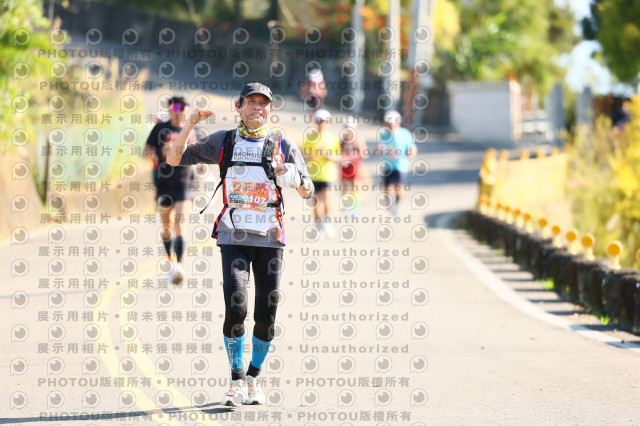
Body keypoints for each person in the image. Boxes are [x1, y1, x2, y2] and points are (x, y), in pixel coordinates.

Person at [166, 83, 314, 407]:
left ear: (270, 109)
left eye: (263, 103)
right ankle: (235, 381)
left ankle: (253, 378)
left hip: (270, 238)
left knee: (266, 313)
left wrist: (295, 178)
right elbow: (175, 157)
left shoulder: (282, 143)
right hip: (233, 235)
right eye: (251, 102)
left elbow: (309, 190)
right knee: (236, 308)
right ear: (239, 106)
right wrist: (190, 122)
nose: (257, 107)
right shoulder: (225, 141)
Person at [143, 96, 196, 285]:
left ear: (187, 112)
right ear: (170, 111)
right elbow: (145, 152)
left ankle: (179, 265)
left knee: (180, 223)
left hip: (185, 183)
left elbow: (200, 151)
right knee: (167, 227)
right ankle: (171, 259)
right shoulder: (160, 129)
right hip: (164, 184)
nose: (179, 113)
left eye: (183, 109)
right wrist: (160, 152)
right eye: (175, 109)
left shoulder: (191, 130)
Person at [301, 108, 341, 237]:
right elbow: (303, 154)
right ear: (316, 122)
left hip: (328, 174)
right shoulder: (310, 138)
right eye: (319, 121)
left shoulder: (333, 139)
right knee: (316, 202)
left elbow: (339, 156)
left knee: (328, 200)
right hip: (313, 175)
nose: (322, 123)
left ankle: (327, 222)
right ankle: (318, 225)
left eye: (325, 121)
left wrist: (330, 157)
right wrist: (312, 156)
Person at [375, 110, 416, 217]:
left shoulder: (404, 133)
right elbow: (379, 148)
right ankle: (390, 205)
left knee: (398, 186)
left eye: (392, 123)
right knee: (387, 188)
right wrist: (380, 149)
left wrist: (411, 152)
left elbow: (412, 147)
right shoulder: (384, 135)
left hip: (400, 165)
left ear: (398, 123)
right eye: (388, 123)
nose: (390, 125)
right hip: (387, 165)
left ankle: (397, 205)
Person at [339, 116, 368, 216]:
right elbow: (339, 153)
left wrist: (359, 148)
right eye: (347, 127)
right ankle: (345, 206)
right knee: (344, 187)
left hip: (355, 166)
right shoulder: (342, 140)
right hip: (344, 166)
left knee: (354, 188)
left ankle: (354, 208)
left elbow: (364, 154)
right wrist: (342, 158)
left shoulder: (359, 139)